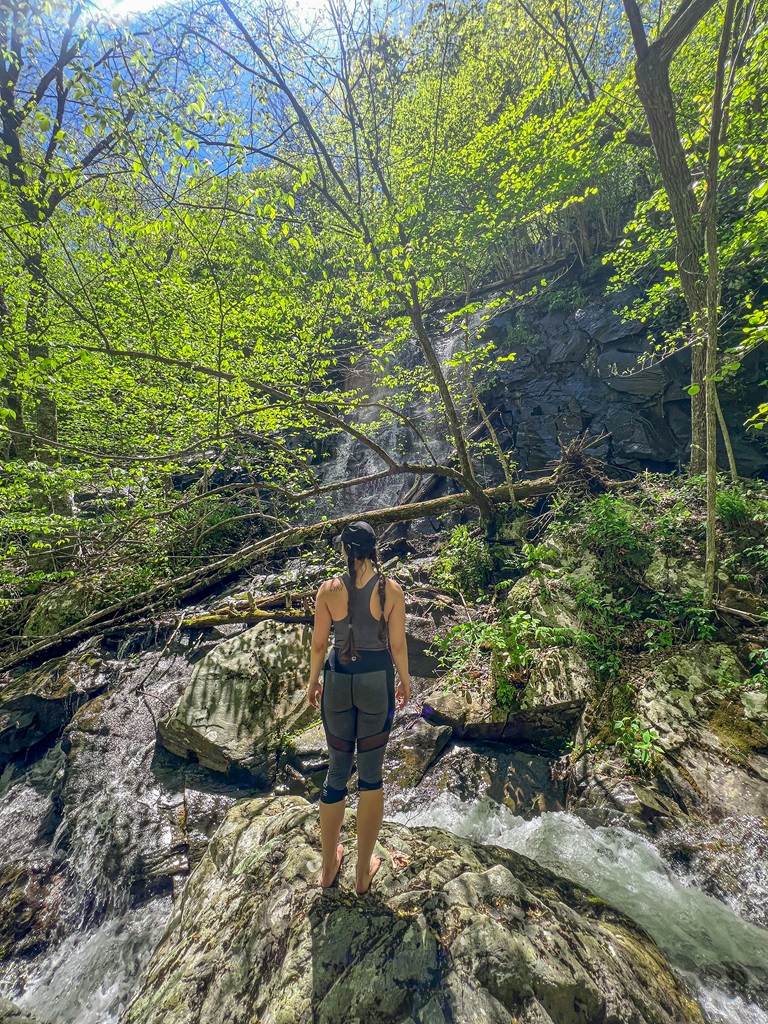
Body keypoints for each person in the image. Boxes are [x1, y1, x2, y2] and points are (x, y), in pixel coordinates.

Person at [306, 520, 411, 894]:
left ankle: (327, 868)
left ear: (346, 551)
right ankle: (362, 873)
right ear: (373, 549)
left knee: (336, 773)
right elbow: (397, 646)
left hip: (336, 681)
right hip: (375, 683)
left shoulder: (329, 590)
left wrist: (312, 680)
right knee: (370, 777)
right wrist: (406, 679)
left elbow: (320, 645)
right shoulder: (391, 590)